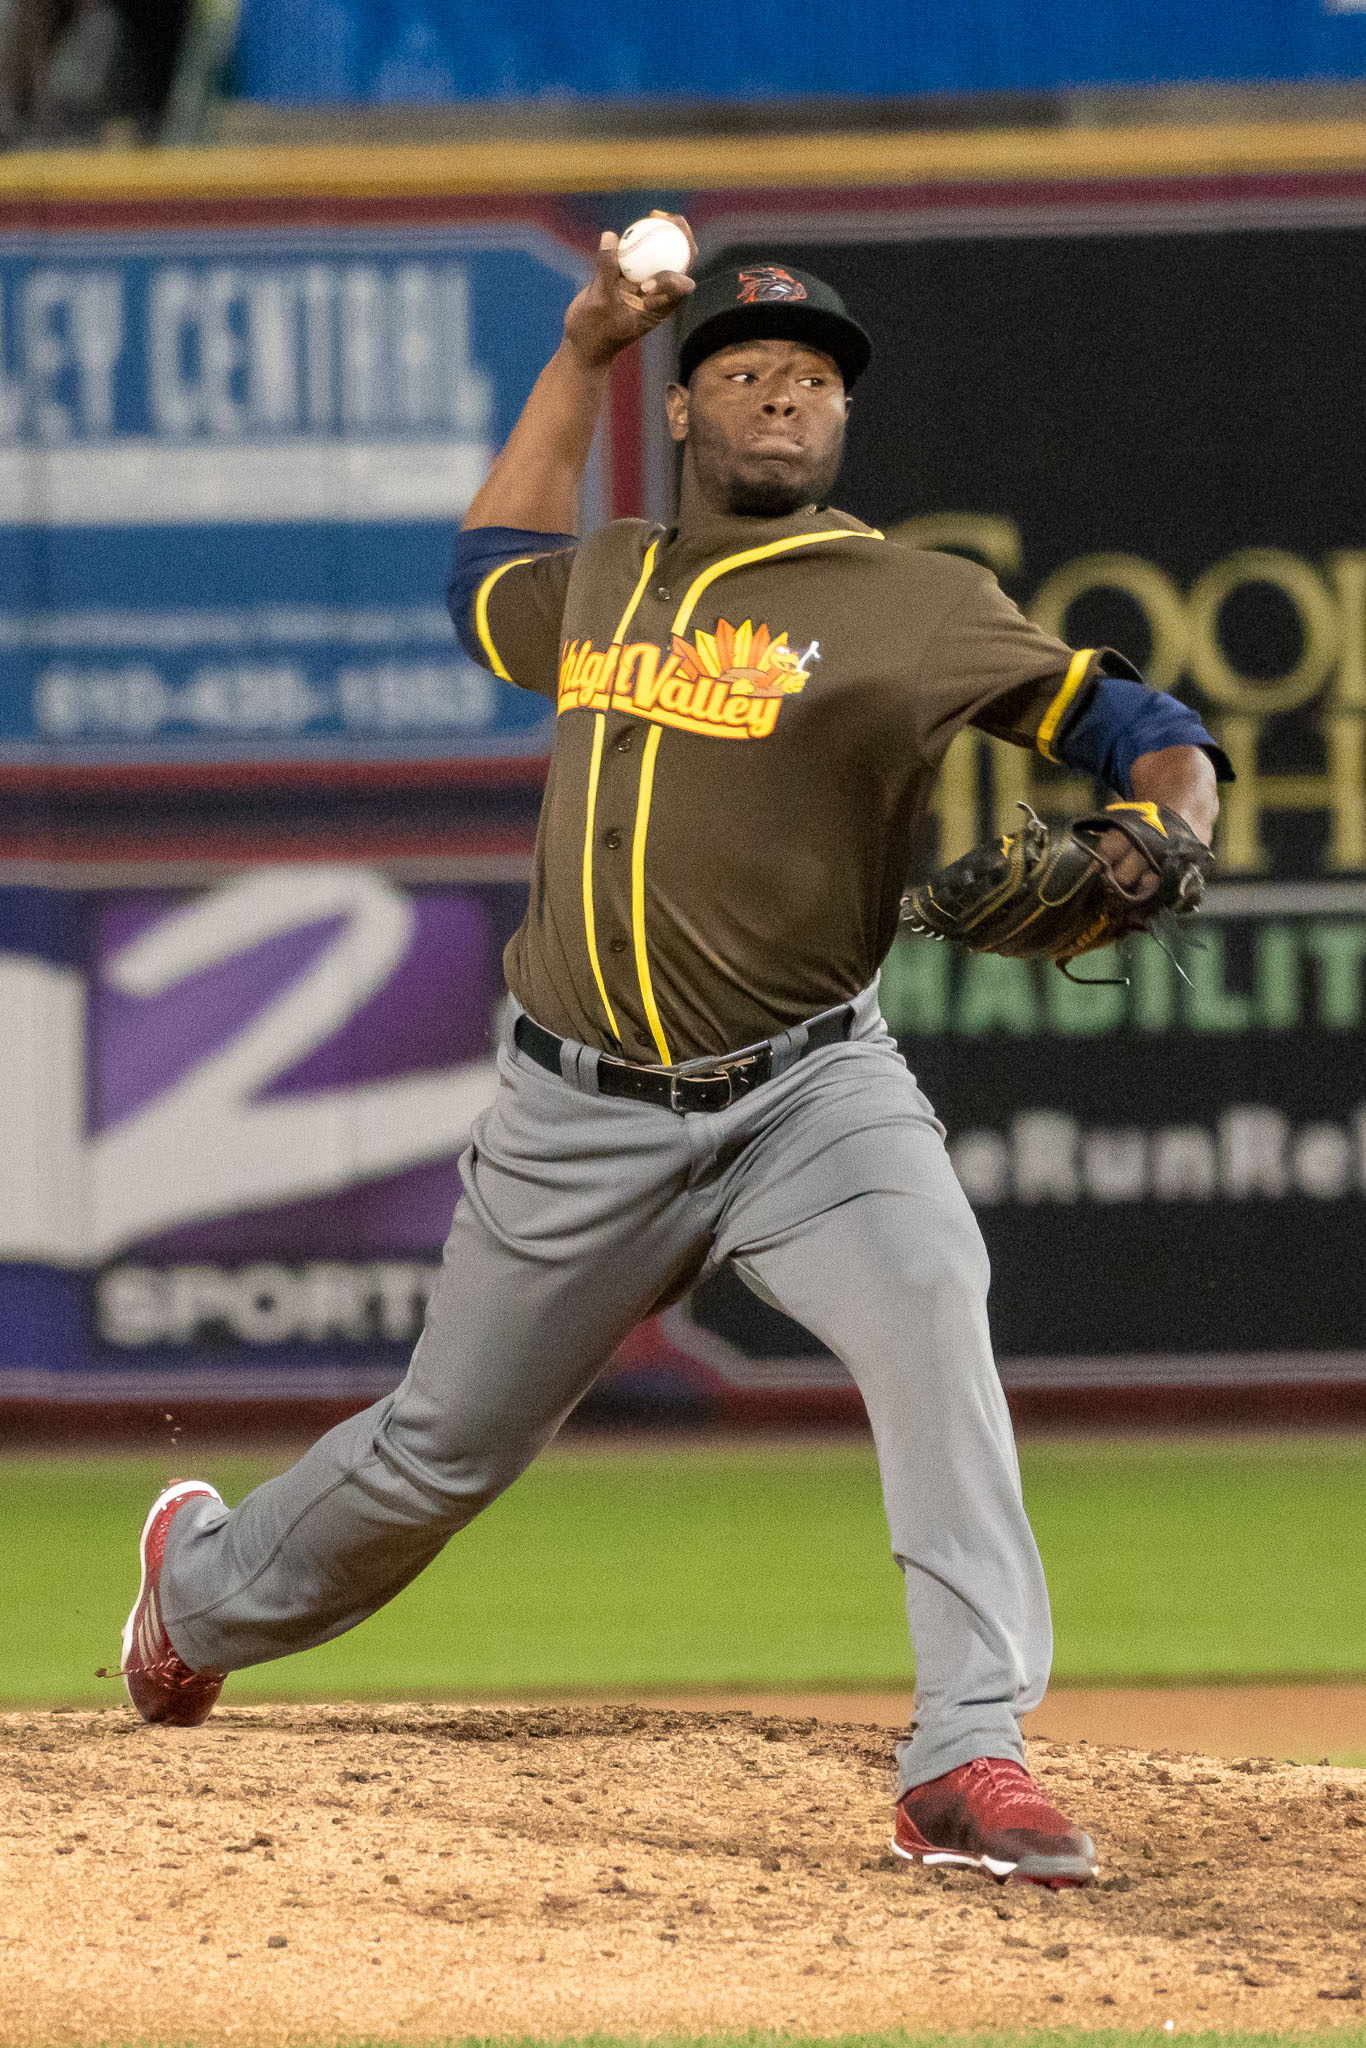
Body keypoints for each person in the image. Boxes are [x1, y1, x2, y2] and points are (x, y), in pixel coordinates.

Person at [121, 216, 1225, 1889]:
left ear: (841, 419)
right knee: (439, 1453)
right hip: (574, 1115)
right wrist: (581, 353)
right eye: (746, 368)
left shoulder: (916, 601)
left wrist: (1171, 825)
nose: (783, 392)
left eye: (813, 377)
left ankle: (967, 1750)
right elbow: (483, 571)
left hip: (810, 1092)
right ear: (687, 408)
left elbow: (1138, 726)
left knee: (934, 1304)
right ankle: (195, 1594)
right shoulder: (606, 578)